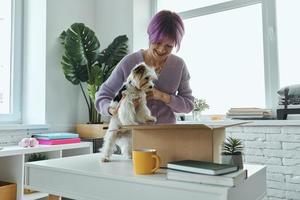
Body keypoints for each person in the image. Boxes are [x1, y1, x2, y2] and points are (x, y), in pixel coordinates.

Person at [95, 10, 194, 124]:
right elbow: (103, 95)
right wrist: (112, 109)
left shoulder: (179, 66)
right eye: (157, 42)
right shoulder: (129, 62)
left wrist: (162, 96)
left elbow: (188, 105)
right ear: (150, 36)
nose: (162, 50)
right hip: (132, 137)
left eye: (169, 46)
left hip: (166, 136)